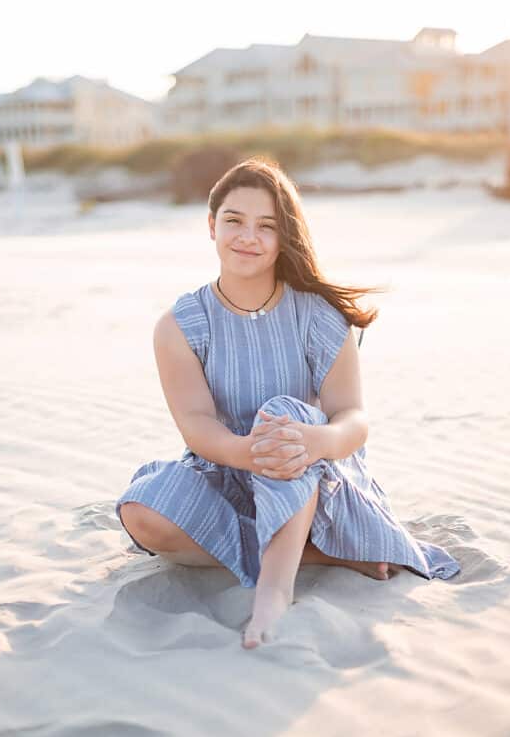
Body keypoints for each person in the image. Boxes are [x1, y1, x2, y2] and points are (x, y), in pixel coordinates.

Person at [116, 157, 461, 650]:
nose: (247, 237)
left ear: (284, 238)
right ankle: (330, 556)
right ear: (212, 226)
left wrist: (312, 441)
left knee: (287, 414)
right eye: (234, 221)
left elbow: (354, 419)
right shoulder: (179, 324)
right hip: (228, 469)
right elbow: (195, 423)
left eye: (266, 226)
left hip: (313, 478)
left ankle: (274, 593)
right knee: (140, 513)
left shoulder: (317, 315)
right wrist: (250, 453)